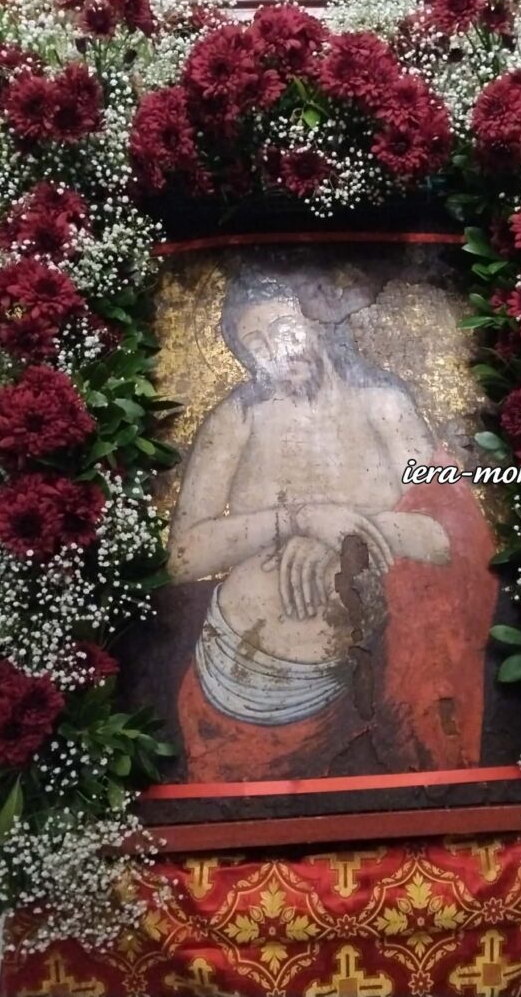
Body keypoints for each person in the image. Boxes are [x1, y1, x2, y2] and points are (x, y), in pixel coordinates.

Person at [169, 267, 496, 780]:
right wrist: (302, 519)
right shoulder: (236, 420)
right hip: (244, 690)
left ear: (317, 322)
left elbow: (447, 533)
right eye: (255, 344)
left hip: (371, 671)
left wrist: (347, 534)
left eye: (284, 329)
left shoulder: (384, 406)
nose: (276, 352)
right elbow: (184, 556)